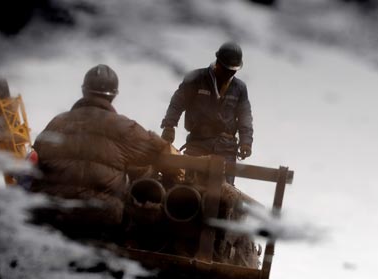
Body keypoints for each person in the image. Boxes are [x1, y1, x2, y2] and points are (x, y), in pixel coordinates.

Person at [30, 64, 169, 240]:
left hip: (51, 215)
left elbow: (36, 159)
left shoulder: (56, 123)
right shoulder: (124, 127)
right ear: (114, 95)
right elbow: (158, 149)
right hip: (99, 221)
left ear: (83, 90)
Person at [159, 41, 253, 184]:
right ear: (218, 63)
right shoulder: (196, 79)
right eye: (227, 69)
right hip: (198, 143)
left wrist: (246, 141)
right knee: (190, 188)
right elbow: (177, 103)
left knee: (224, 194)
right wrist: (169, 126)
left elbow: (245, 116)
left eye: (233, 70)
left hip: (226, 148)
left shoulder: (239, 88)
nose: (229, 73)